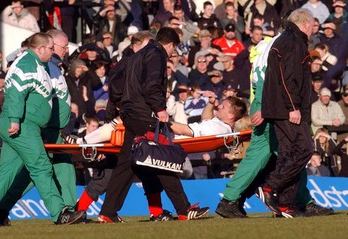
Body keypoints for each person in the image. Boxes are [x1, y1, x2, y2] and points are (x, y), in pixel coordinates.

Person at [216, 13, 333, 218]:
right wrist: (262, 104)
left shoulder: (266, 45)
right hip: (271, 105)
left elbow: (259, 74)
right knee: (282, 153)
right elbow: (268, 76)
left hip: (265, 103)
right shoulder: (281, 43)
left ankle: (292, 200)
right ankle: (233, 199)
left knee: (286, 155)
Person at [98, 27, 208, 223]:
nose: (173, 55)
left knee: (125, 165)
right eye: (173, 50)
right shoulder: (156, 54)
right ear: (170, 44)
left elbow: (120, 83)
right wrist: (160, 109)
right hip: (144, 114)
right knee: (160, 157)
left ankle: (108, 212)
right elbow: (151, 86)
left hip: (130, 113)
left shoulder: (136, 56)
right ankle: (183, 209)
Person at [0, 32, 85, 227]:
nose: (54, 52)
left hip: (25, 124)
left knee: (6, 172)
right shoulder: (27, 64)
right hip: (23, 125)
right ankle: (60, 213)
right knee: (41, 166)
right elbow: (16, 93)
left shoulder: (39, 64)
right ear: (40, 49)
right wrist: (16, 120)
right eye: (51, 49)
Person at [257, 8, 319, 217]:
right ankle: (269, 187)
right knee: (304, 149)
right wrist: (293, 106)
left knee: (287, 153)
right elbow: (288, 77)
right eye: (312, 25)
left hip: (278, 107)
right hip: (287, 109)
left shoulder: (286, 39)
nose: (313, 29)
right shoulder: (294, 42)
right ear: (305, 24)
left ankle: (284, 205)